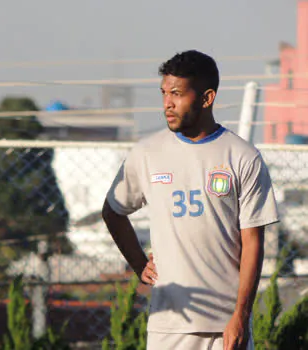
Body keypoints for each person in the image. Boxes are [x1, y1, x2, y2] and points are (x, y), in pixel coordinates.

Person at [102, 50, 279, 350]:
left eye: (177, 94)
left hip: (225, 326)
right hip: (168, 327)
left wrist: (240, 316)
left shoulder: (243, 157)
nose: (167, 103)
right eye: (163, 93)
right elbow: (113, 212)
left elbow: (253, 244)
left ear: (207, 98)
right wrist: (139, 264)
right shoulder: (147, 153)